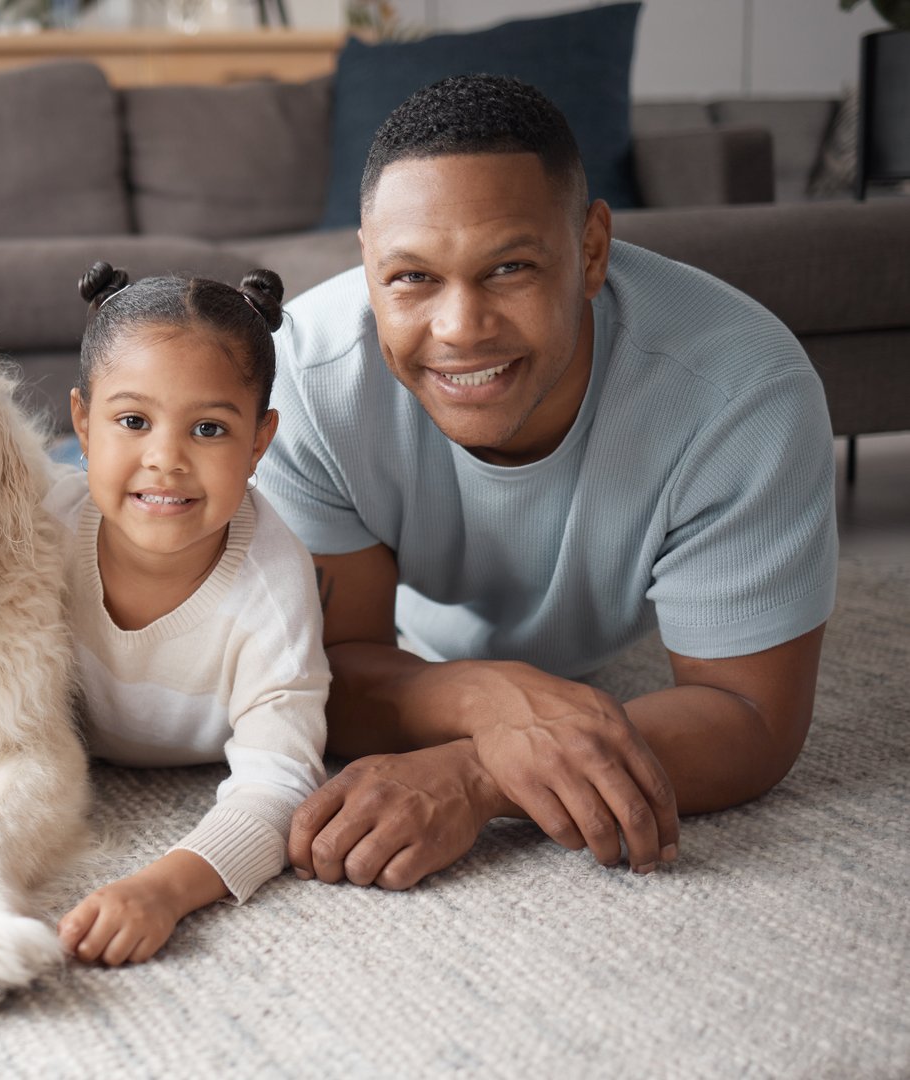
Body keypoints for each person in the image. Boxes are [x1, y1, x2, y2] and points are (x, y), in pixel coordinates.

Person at [263, 74, 837, 892]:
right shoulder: (304, 381)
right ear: (365, 261)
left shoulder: (744, 391)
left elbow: (749, 717)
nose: (459, 329)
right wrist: (488, 699)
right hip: (425, 635)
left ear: (591, 249)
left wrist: (481, 773)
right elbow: (329, 671)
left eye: (508, 267)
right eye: (411, 277)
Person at [51, 262, 331, 966]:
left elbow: (280, 783)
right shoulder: (39, 526)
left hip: (197, 750)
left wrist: (164, 889)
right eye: (132, 421)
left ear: (259, 442)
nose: (165, 459)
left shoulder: (272, 583)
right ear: (84, 421)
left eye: (208, 428)